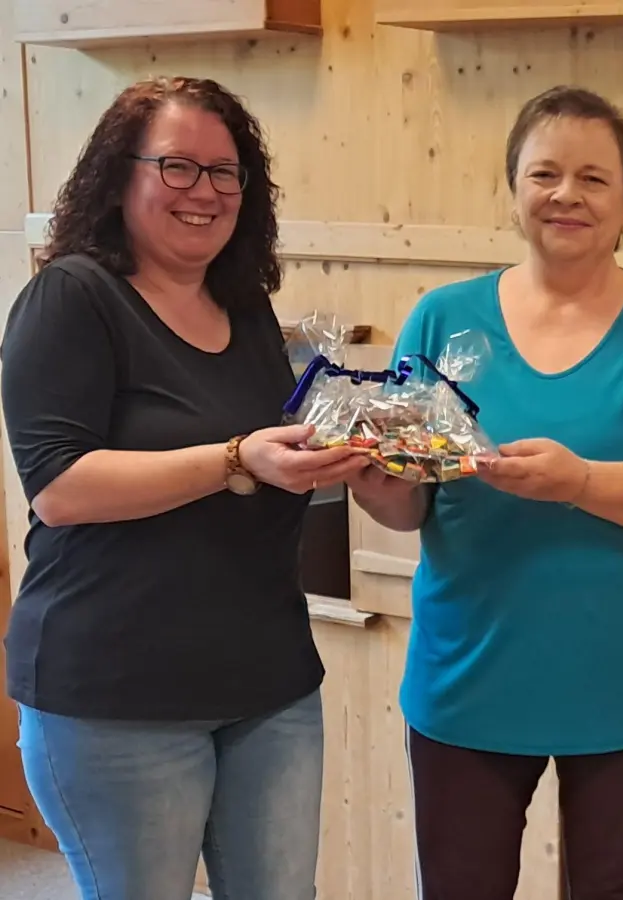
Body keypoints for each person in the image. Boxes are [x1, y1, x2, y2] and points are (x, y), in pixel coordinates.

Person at [347, 85, 623, 900]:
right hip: (469, 675)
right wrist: (373, 486)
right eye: (545, 174)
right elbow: (409, 503)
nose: (567, 195)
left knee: (615, 888)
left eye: (594, 178)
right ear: (513, 190)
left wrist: (581, 483)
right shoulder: (439, 318)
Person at [0, 76, 368, 899]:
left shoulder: (247, 313)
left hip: (268, 684)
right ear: (118, 175)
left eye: (225, 172)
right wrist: (236, 458)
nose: (205, 191)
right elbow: (60, 486)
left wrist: (342, 452)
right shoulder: (71, 298)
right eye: (177, 167)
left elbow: (267, 465)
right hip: (116, 695)